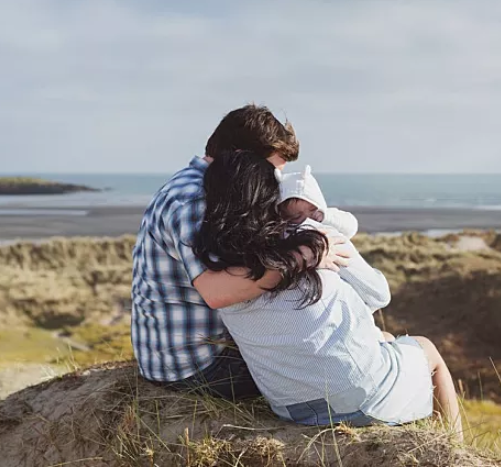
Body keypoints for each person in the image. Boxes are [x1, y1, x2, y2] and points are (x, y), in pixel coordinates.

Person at [198, 151, 464, 440]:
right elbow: (378, 294)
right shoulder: (311, 238)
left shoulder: (214, 266)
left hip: (291, 407)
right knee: (428, 350)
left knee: (385, 340)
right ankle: (455, 450)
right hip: (361, 397)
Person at [130, 105, 349, 400]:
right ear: (241, 159)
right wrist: (303, 256)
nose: (271, 183)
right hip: (199, 367)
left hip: (176, 358)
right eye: (270, 171)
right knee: (339, 369)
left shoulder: (193, 186)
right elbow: (217, 291)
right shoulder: (195, 199)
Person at [277, 165, 359, 238]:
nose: (307, 217)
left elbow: (351, 227)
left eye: (312, 210)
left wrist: (326, 218)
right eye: (297, 216)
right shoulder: (285, 232)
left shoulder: (327, 218)